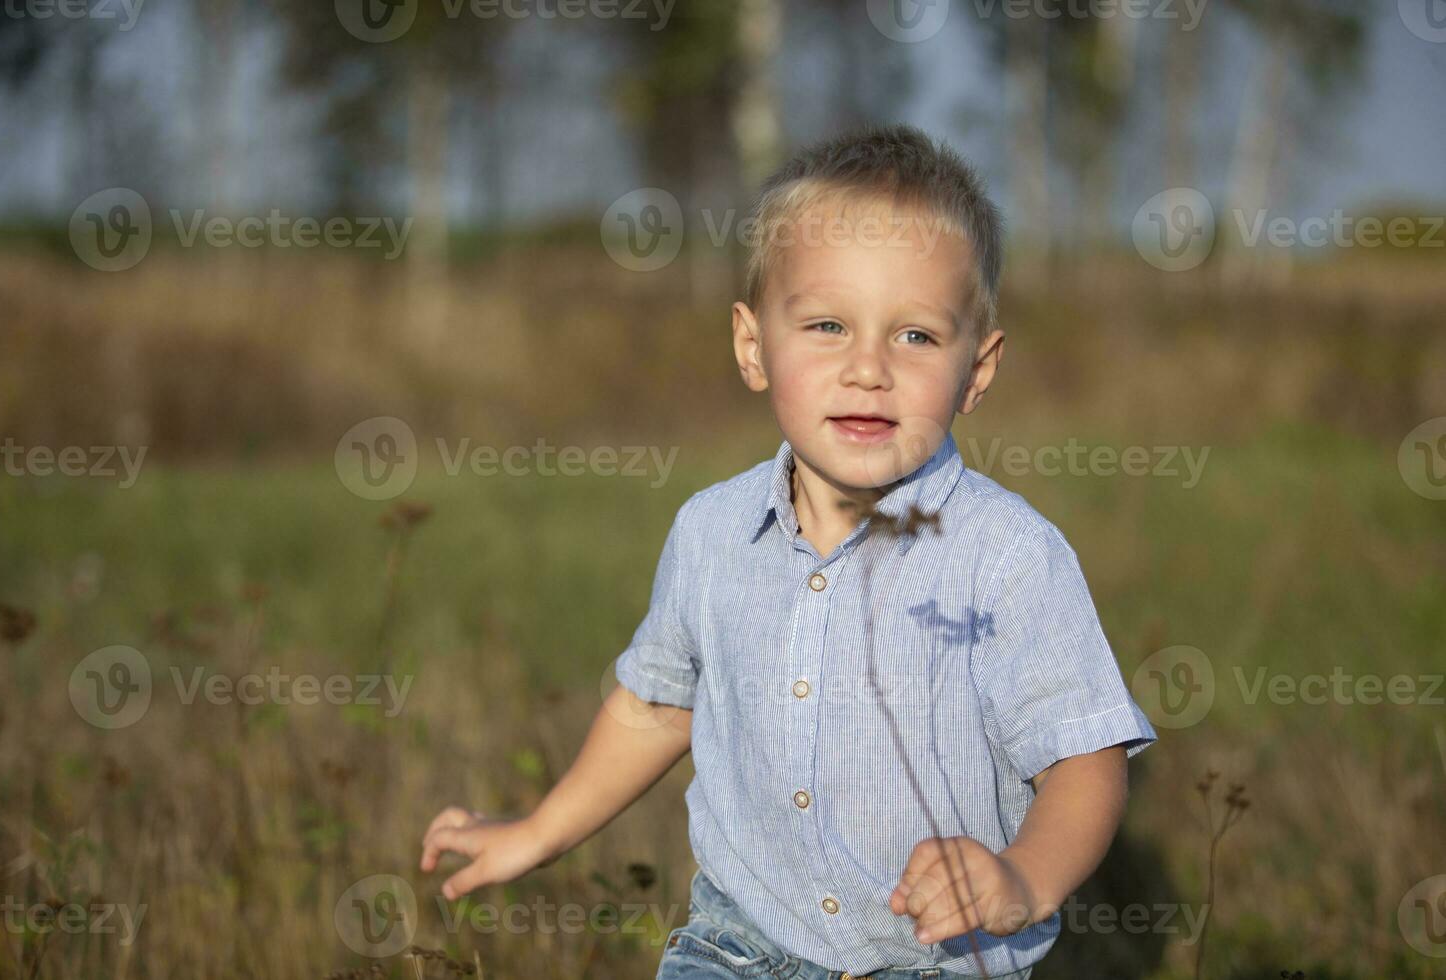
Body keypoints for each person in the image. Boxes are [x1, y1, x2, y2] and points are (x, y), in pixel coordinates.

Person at [421, 123, 1158, 979]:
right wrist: (534, 834)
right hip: (736, 947)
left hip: (937, 962)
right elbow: (658, 706)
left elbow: (1084, 759)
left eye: (915, 336)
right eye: (827, 326)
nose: (868, 368)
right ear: (752, 346)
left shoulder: (1008, 556)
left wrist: (1023, 878)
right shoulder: (711, 532)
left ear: (978, 369)